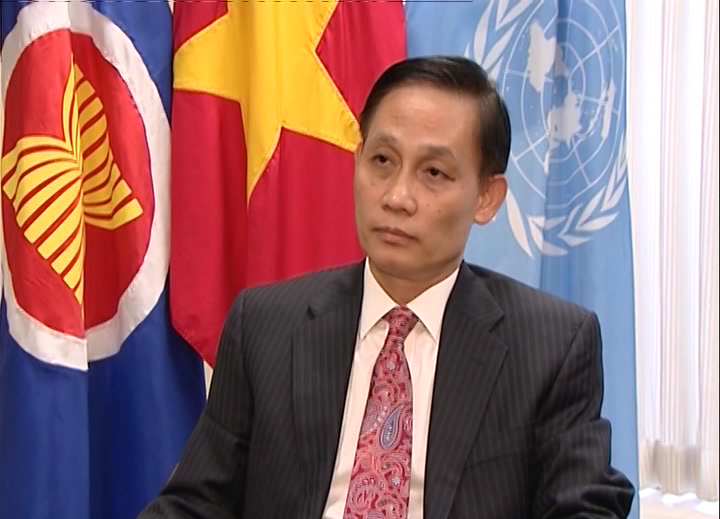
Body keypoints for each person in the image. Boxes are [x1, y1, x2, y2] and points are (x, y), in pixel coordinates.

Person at [139, 56, 634, 519]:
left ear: (487, 197)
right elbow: (195, 502)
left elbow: (583, 506)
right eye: (382, 161)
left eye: (434, 172)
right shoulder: (265, 325)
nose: (397, 197)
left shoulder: (551, 346)